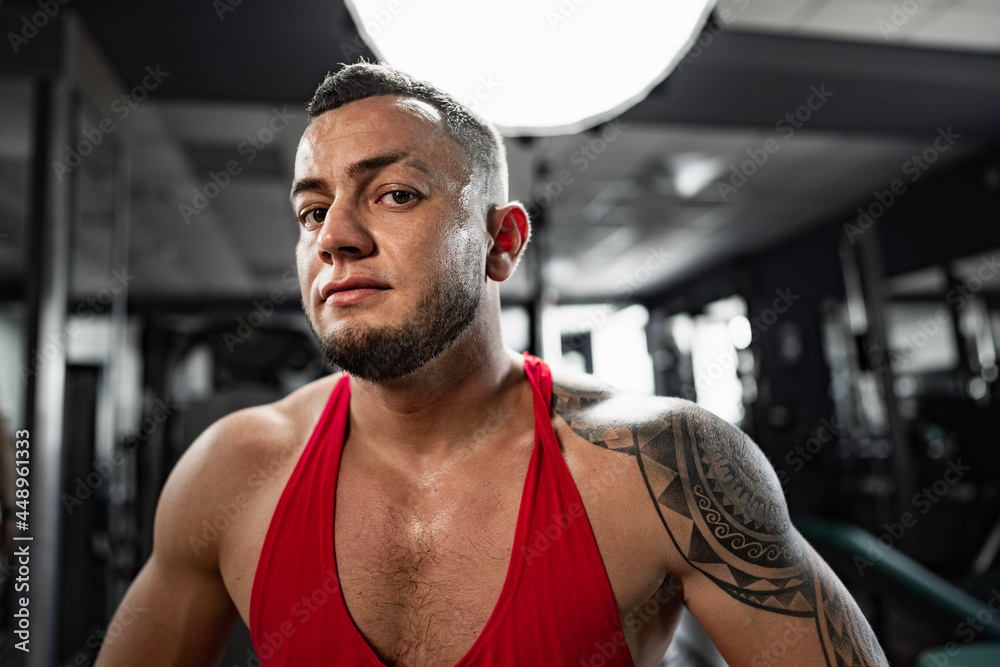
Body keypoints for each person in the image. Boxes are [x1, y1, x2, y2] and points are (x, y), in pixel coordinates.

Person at [96, 62, 888, 667]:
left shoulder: (663, 465)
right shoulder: (233, 469)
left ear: (502, 242)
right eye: (311, 209)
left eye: (394, 194)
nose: (333, 235)